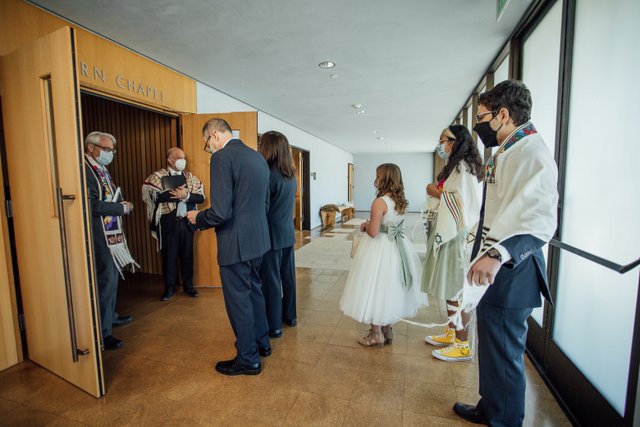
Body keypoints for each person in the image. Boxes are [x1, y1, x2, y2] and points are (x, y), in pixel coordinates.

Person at [452, 80, 558, 426]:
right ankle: (491, 406)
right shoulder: (510, 150)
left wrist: (497, 255)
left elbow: (542, 220)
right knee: (492, 345)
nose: (480, 125)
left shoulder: (532, 151)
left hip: (513, 269)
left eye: (482, 117)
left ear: (503, 115)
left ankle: (506, 419)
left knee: (506, 351)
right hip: (493, 264)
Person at [186, 118, 271, 376]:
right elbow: (263, 204)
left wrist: (197, 218)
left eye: (206, 143)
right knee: (254, 291)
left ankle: (248, 359)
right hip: (259, 239)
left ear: (213, 135)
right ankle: (261, 343)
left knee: (238, 301)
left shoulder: (222, 158)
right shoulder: (257, 158)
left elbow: (221, 212)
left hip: (236, 242)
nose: (208, 148)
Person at [339, 163, 423, 348]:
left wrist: (365, 226)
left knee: (374, 287)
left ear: (385, 179)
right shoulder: (401, 202)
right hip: (396, 248)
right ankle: (388, 329)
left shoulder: (379, 202)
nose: (374, 180)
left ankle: (376, 334)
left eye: (377, 176)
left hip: (378, 248)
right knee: (389, 288)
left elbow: (374, 232)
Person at [422, 125, 483, 362]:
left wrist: (436, 193)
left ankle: (462, 342)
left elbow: (464, 204)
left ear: (457, 141)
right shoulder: (456, 167)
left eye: (444, 140)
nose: (441, 145)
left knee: (456, 286)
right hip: (448, 232)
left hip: (457, 235)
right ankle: (451, 330)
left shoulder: (464, 168)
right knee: (449, 285)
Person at [84, 131, 138, 350]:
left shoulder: (101, 168)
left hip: (111, 231)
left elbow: (106, 196)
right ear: (91, 147)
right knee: (105, 279)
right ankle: (103, 333)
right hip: (99, 234)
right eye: (106, 149)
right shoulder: (85, 170)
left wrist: (120, 204)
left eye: (111, 150)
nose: (110, 154)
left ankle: (111, 316)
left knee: (112, 276)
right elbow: (91, 205)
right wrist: (120, 208)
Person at [142, 147, 205, 301]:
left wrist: (187, 195)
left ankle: (188, 287)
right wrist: (180, 195)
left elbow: (200, 198)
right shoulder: (158, 176)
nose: (182, 160)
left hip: (187, 222)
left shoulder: (190, 177)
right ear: (169, 160)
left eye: (183, 157)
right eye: (178, 157)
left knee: (187, 256)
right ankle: (169, 289)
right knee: (169, 258)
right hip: (168, 223)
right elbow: (155, 197)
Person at [258, 131, 298, 338]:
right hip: (287, 234)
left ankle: (274, 325)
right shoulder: (291, 175)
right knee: (288, 277)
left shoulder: (267, 174)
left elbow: (263, 208)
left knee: (271, 281)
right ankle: (290, 315)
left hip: (271, 237)